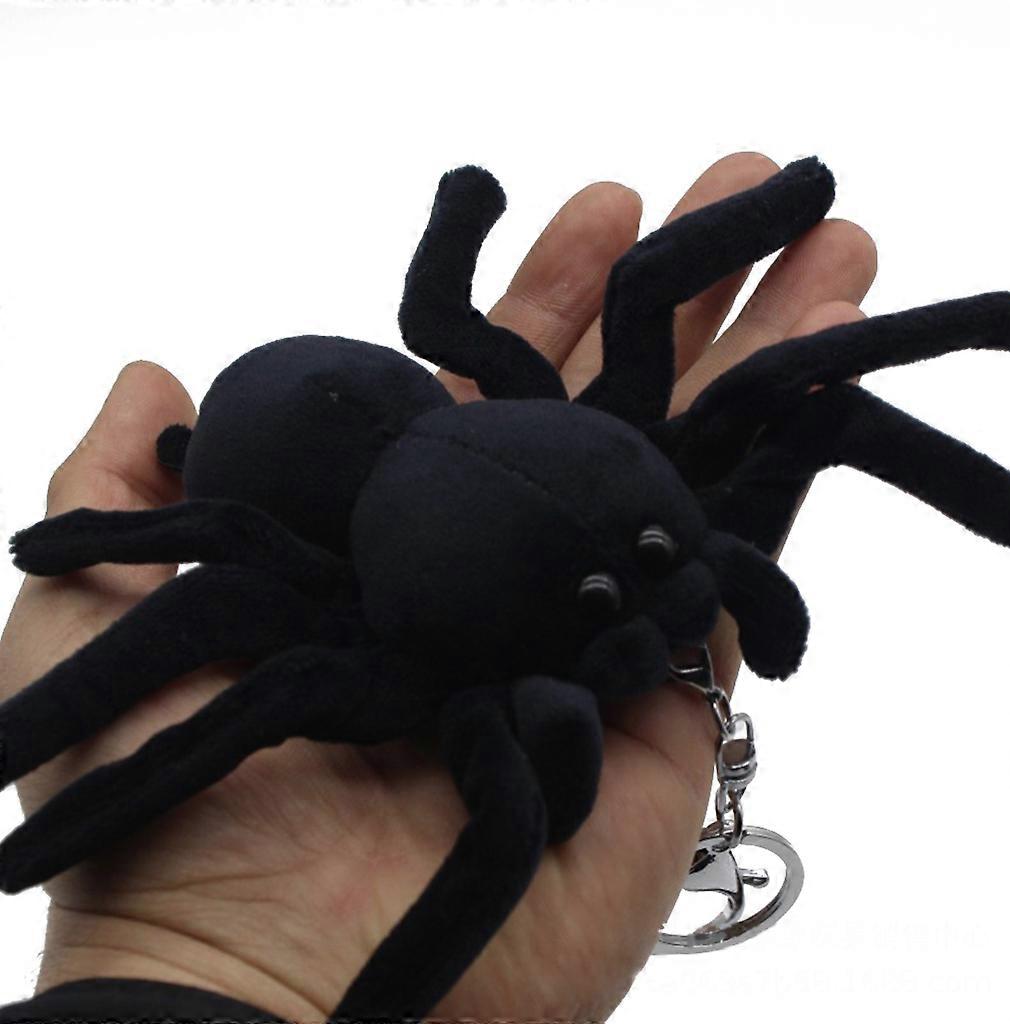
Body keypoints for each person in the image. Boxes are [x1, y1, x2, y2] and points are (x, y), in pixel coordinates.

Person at [0, 152, 876, 1024]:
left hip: (349, 427)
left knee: (749, 361)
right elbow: (224, 559)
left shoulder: (554, 433)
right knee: (261, 674)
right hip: (270, 454)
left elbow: (461, 314)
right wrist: (167, 926)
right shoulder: (324, 592)